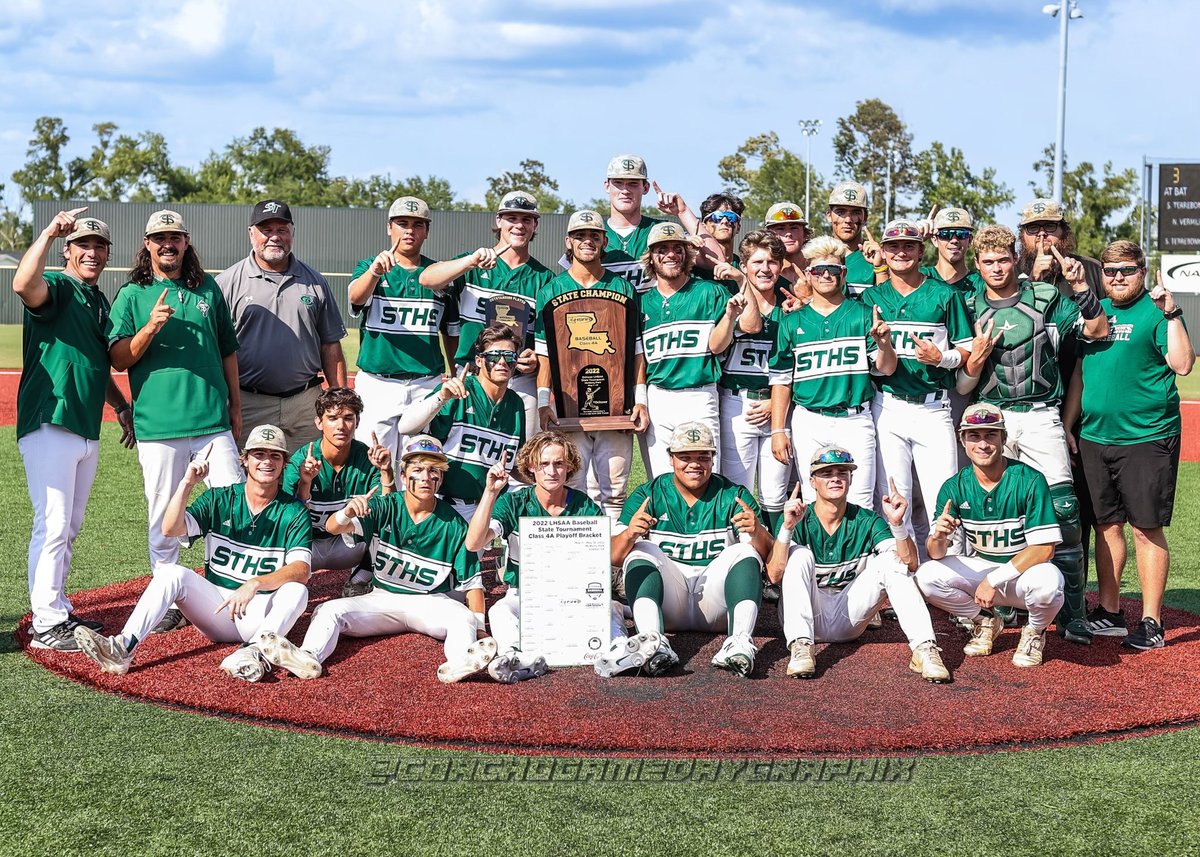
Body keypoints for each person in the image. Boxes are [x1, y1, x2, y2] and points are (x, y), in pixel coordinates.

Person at [956, 225, 1108, 645]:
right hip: (992, 416)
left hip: (1040, 413)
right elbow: (964, 384)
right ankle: (1002, 608)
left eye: (1004, 259)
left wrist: (1081, 289)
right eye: (987, 261)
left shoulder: (1045, 298)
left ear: (1015, 258)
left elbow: (1096, 331)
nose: (996, 268)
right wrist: (973, 361)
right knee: (999, 513)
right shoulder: (967, 304)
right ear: (978, 264)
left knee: (1063, 512)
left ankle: (1074, 614)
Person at [73, 425, 313, 681]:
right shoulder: (219, 499)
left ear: (284, 463)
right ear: (245, 460)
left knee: (297, 590)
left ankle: (253, 653)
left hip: (260, 615)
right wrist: (187, 483)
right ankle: (122, 647)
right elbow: (170, 528)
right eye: (259, 454)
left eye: (275, 455)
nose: (266, 461)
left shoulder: (293, 511)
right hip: (217, 610)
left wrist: (255, 583)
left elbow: (302, 570)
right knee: (170, 572)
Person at [257, 435, 498, 684]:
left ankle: (459, 662)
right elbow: (331, 527)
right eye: (418, 470)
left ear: (441, 478)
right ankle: (308, 657)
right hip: (383, 597)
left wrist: (479, 626)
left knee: (464, 618)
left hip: (430, 602)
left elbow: (473, 584)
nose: (426, 477)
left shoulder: (456, 524)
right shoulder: (386, 506)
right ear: (403, 476)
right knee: (329, 609)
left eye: (433, 470)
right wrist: (346, 512)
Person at [108, 209, 245, 634]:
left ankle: (230, 584)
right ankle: (166, 593)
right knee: (163, 512)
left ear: (186, 242)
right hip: (159, 427)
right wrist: (149, 328)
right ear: (147, 244)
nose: (168, 244)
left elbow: (227, 351)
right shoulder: (132, 294)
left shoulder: (207, 287)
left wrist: (236, 408)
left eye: (176, 237)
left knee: (233, 501)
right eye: (159, 237)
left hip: (211, 422)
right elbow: (117, 358)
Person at [1065, 241, 1195, 650]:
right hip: (1094, 437)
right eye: (1110, 270)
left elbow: (1182, 364)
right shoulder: (1094, 310)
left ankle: (1152, 621)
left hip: (1146, 437)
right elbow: (1081, 376)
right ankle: (1110, 612)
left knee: (1145, 528)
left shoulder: (1156, 312)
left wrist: (1173, 312)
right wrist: (1069, 424)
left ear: (1142, 271)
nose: (1118, 277)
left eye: (1127, 269)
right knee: (1106, 526)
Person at [15, 209, 135, 650]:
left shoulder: (97, 300)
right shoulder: (60, 287)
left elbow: (99, 365)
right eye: (83, 245)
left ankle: (57, 609)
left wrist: (120, 406)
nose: (92, 252)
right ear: (68, 250)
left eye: (99, 246)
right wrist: (48, 231)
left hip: (85, 425)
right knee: (53, 522)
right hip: (51, 417)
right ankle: (46, 624)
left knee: (70, 524)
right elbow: (22, 285)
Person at [597, 422, 773, 678]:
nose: (694, 464)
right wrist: (629, 534)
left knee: (746, 553)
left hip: (718, 605)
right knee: (640, 549)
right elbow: (613, 557)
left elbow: (769, 559)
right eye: (685, 457)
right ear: (670, 458)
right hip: (669, 603)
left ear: (713, 459)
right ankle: (654, 643)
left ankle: (739, 642)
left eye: (703, 457)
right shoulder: (650, 494)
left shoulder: (733, 494)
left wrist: (758, 532)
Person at [769, 447, 948, 682]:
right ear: (812, 481)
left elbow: (910, 564)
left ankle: (925, 648)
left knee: (890, 560)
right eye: (826, 473)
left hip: (848, 616)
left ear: (851, 478)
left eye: (842, 472)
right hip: (807, 614)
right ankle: (801, 646)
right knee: (800, 554)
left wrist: (897, 525)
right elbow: (774, 575)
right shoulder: (798, 517)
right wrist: (787, 528)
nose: (835, 478)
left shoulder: (866, 519)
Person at [916, 404, 1066, 668]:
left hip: (1022, 575)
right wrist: (939, 536)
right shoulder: (954, 486)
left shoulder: (1029, 479)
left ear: (1003, 439)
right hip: (984, 569)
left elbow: (1044, 549)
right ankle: (986, 619)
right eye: (974, 436)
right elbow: (936, 553)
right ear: (962, 440)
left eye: (991, 435)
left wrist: (994, 580)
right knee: (926, 577)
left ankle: (1034, 632)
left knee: (1049, 585)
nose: (982, 444)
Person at [465, 431, 616, 682]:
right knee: (500, 611)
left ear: (569, 467)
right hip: (524, 593)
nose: (552, 471)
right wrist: (490, 493)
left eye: (558, 463)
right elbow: (473, 544)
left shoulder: (584, 506)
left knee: (608, 608)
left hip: (571, 592)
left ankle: (620, 651)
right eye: (543, 464)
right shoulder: (515, 502)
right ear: (530, 467)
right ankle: (515, 657)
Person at [861, 219, 973, 553]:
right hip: (888, 406)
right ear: (883, 252)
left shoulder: (945, 294)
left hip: (934, 406)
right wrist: (884, 348)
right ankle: (903, 580)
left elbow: (965, 349)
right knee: (897, 498)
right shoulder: (871, 297)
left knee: (944, 498)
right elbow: (876, 364)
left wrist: (941, 358)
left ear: (920, 250)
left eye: (908, 245)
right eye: (893, 247)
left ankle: (952, 586)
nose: (901, 252)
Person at [536, 210, 650, 517]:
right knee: (572, 487)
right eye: (580, 236)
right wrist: (542, 403)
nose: (587, 241)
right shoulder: (550, 289)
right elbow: (543, 353)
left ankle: (612, 561)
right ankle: (576, 559)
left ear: (604, 241)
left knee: (614, 490)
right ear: (568, 242)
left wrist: (640, 400)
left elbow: (637, 350)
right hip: (568, 408)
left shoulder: (623, 288)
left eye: (594, 236)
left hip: (615, 405)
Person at [770, 235, 897, 510]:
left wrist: (884, 345)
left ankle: (860, 554)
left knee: (860, 502)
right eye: (818, 270)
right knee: (815, 501)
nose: (826, 275)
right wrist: (778, 429)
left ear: (844, 273)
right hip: (809, 419)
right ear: (808, 274)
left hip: (855, 418)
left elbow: (886, 369)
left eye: (834, 270)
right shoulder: (792, 322)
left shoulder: (863, 314)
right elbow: (782, 382)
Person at [216, 199, 347, 451]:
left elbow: (331, 345)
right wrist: (230, 403)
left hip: (306, 402)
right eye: (266, 230)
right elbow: (215, 350)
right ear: (251, 233)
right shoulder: (227, 282)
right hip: (249, 401)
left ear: (292, 233)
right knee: (251, 481)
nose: (274, 237)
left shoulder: (315, 281)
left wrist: (339, 400)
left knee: (309, 477)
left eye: (282, 230)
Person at [423, 190, 552, 434]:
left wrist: (534, 357)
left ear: (535, 225)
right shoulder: (472, 265)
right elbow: (427, 278)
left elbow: (548, 342)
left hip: (520, 380)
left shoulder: (544, 278)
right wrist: (470, 262)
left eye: (526, 219)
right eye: (512, 218)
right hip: (473, 375)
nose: (519, 225)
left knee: (525, 460)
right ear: (498, 221)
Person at [347, 196, 455, 462]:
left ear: (427, 231)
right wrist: (374, 272)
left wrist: (455, 375)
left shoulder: (438, 273)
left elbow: (450, 333)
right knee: (373, 462)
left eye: (417, 224)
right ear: (389, 227)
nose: (409, 230)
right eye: (402, 223)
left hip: (424, 384)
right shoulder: (370, 267)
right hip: (377, 383)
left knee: (418, 465)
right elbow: (355, 298)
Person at [639, 221, 750, 477]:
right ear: (651, 258)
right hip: (658, 397)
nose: (670, 255)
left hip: (699, 394)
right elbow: (638, 360)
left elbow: (720, 345)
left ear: (686, 254)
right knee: (661, 477)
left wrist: (731, 317)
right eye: (662, 249)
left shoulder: (710, 292)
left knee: (706, 475)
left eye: (677, 249)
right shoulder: (641, 301)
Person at [393, 323, 525, 521]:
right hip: (445, 507)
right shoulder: (457, 391)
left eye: (509, 357)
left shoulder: (516, 404)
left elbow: (515, 464)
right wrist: (442, 397)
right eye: (494, 356)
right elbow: (405, 427)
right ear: (479, 361)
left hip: (490, 506)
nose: (502, 362)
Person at [282, 387, 394, 598]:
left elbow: (390, 512)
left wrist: (386, 471)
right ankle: (290, 586)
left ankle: (361, 578)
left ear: (358, 421)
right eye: (332, 418)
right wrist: (304, 484)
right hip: (307, 546)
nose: (341, 426)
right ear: (319, 422)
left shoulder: (368, 459)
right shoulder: (301, 462)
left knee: (393, 526)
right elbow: (284, 519)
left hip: (350, 546)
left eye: (348, 418)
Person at [719, 231, 793, 533]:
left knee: (775, 493)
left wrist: (776, 404)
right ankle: (742, 556)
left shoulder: (792, 306)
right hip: (738, 404)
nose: (765, 269)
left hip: (780, 406)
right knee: (738, 488)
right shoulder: (731, 302)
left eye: (773, 262)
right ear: (744, 265)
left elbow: (805, 367)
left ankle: (776, 558)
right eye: (758, 261)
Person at [599, 154, 664, 293]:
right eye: (618, 183)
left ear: (645, 187)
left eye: (633, 183)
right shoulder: (591, 234)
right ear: (607, 186)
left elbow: (712, 260)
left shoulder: (660, 230)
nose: (625, 190)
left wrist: (682, 212)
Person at [825, 181, 884, 293]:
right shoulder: (816, 257)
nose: (848, 220)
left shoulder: (877, 258)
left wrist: (881, 268)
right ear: (829, 215)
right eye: (841, 212)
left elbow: (887, 302)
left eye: (855, 212)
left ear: (865, 217)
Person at [920, 207, 981, 294]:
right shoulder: (920, 277)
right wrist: (915, 238)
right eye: (946, 234)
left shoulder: (981, 285)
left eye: (961, 234)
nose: (954, 240)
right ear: (934, 240)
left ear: (970, 240)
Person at [762, 201, 812, 293]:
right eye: (781, 228)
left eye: (794, 228)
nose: (788, 234)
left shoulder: (817, 270)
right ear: (769, 235)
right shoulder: (763, 272)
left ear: (804, 233)